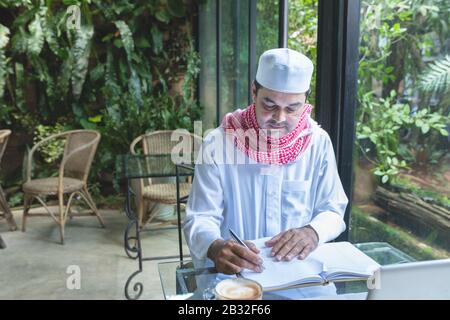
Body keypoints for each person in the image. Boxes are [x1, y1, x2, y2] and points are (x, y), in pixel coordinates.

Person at [183, 48, 348, 278]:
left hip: (300, 279)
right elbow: (200, 217)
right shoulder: (218, 144)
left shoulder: (317, 143)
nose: (279, 118)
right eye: (269, 106)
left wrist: (313, 232)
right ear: (254, 91)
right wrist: (215, 246)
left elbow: (333, 208)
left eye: (292, 108)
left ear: (305, 100)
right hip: (235, 279)